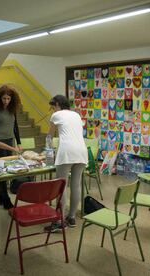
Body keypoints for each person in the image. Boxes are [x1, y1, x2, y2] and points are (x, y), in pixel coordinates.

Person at [45, 95, 88, 232]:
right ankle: (72, 217)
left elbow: (49, 136)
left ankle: (59, 220)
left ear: (57, 104)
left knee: (61, 186)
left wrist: (47, 151)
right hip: (81, 151)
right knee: (75, 185)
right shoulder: (76, 115)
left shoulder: (57, 115)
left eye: (53, 107)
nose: (52, 110)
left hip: (67, 152)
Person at [0, 85, 23, 209]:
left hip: (9, 140)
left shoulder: (12, 109)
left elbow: (15, 126)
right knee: (2, 171)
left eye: (8, 99)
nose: (6, 101)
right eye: (4, 99)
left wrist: (19, 142)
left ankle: (1, 196)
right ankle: (6, 198)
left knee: (8, 169)